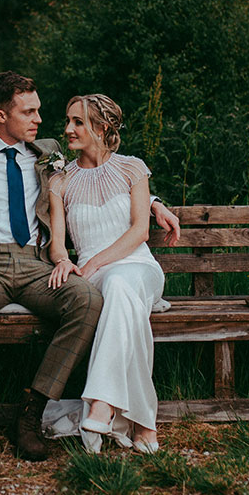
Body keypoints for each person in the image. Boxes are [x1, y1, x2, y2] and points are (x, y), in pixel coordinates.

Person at [0, 72, 180, 462]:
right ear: (1, 115)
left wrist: (154, 202)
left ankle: (31, 414)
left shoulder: (48, 151)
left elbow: (105, 170)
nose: (39, 120)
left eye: (39, 111)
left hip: (37, 264)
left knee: (86, 300)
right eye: (28, 112)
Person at [47, 94, 173, 454]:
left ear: (101, 128)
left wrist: (92, 264)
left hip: (139, 267)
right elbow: (57, 242)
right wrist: (62, 261)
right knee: (119, 295)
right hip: (97, 276)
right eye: (68, 120)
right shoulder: (60, 180)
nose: (68, 128)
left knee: (121, 285)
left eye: (78, 122)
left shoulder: (133, 168)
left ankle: (101, 403)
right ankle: (144, 425)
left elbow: (140, 231)